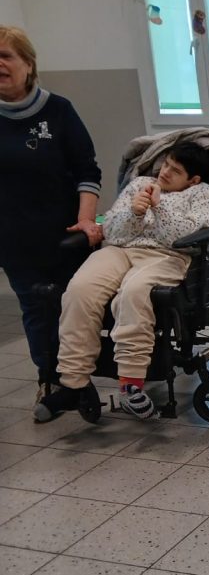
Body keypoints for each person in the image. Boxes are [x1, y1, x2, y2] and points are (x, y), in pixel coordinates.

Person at [34, 141, 209, 422]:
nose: (166, 172)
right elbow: (110, 229)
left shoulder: (203, 194)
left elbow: (181, 238)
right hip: (120, 250)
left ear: (193, 179)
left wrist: (158, 208)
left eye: (176, 170)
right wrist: (133, 213)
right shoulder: (140, 184)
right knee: (79, 291)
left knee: (133, 293)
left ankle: (131, 385)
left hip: (168, 255)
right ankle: (73, 383)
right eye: (166, 164)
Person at [0, 25, 102, 403]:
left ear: (28, 63)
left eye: (5, 55)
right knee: (35, 309)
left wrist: (87, 221)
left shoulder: (58, 111)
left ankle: (80, 375)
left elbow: (87, 171)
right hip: (13, 239)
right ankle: (51, 380)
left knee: (75, 303)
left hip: (66, 234)